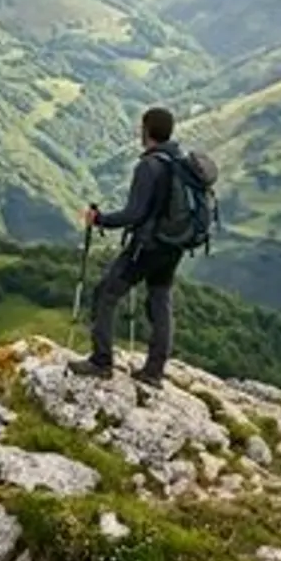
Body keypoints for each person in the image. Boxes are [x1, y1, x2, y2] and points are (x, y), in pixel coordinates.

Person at [69, 105, 184, 389]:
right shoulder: (178, 161)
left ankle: (101, 361)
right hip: (174, 245)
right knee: (160, 300)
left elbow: (134, 214)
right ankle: (154, 371)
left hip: (147, 247)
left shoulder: (149, 166)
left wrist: (100, 220)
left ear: (146, 130)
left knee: (106, 293)